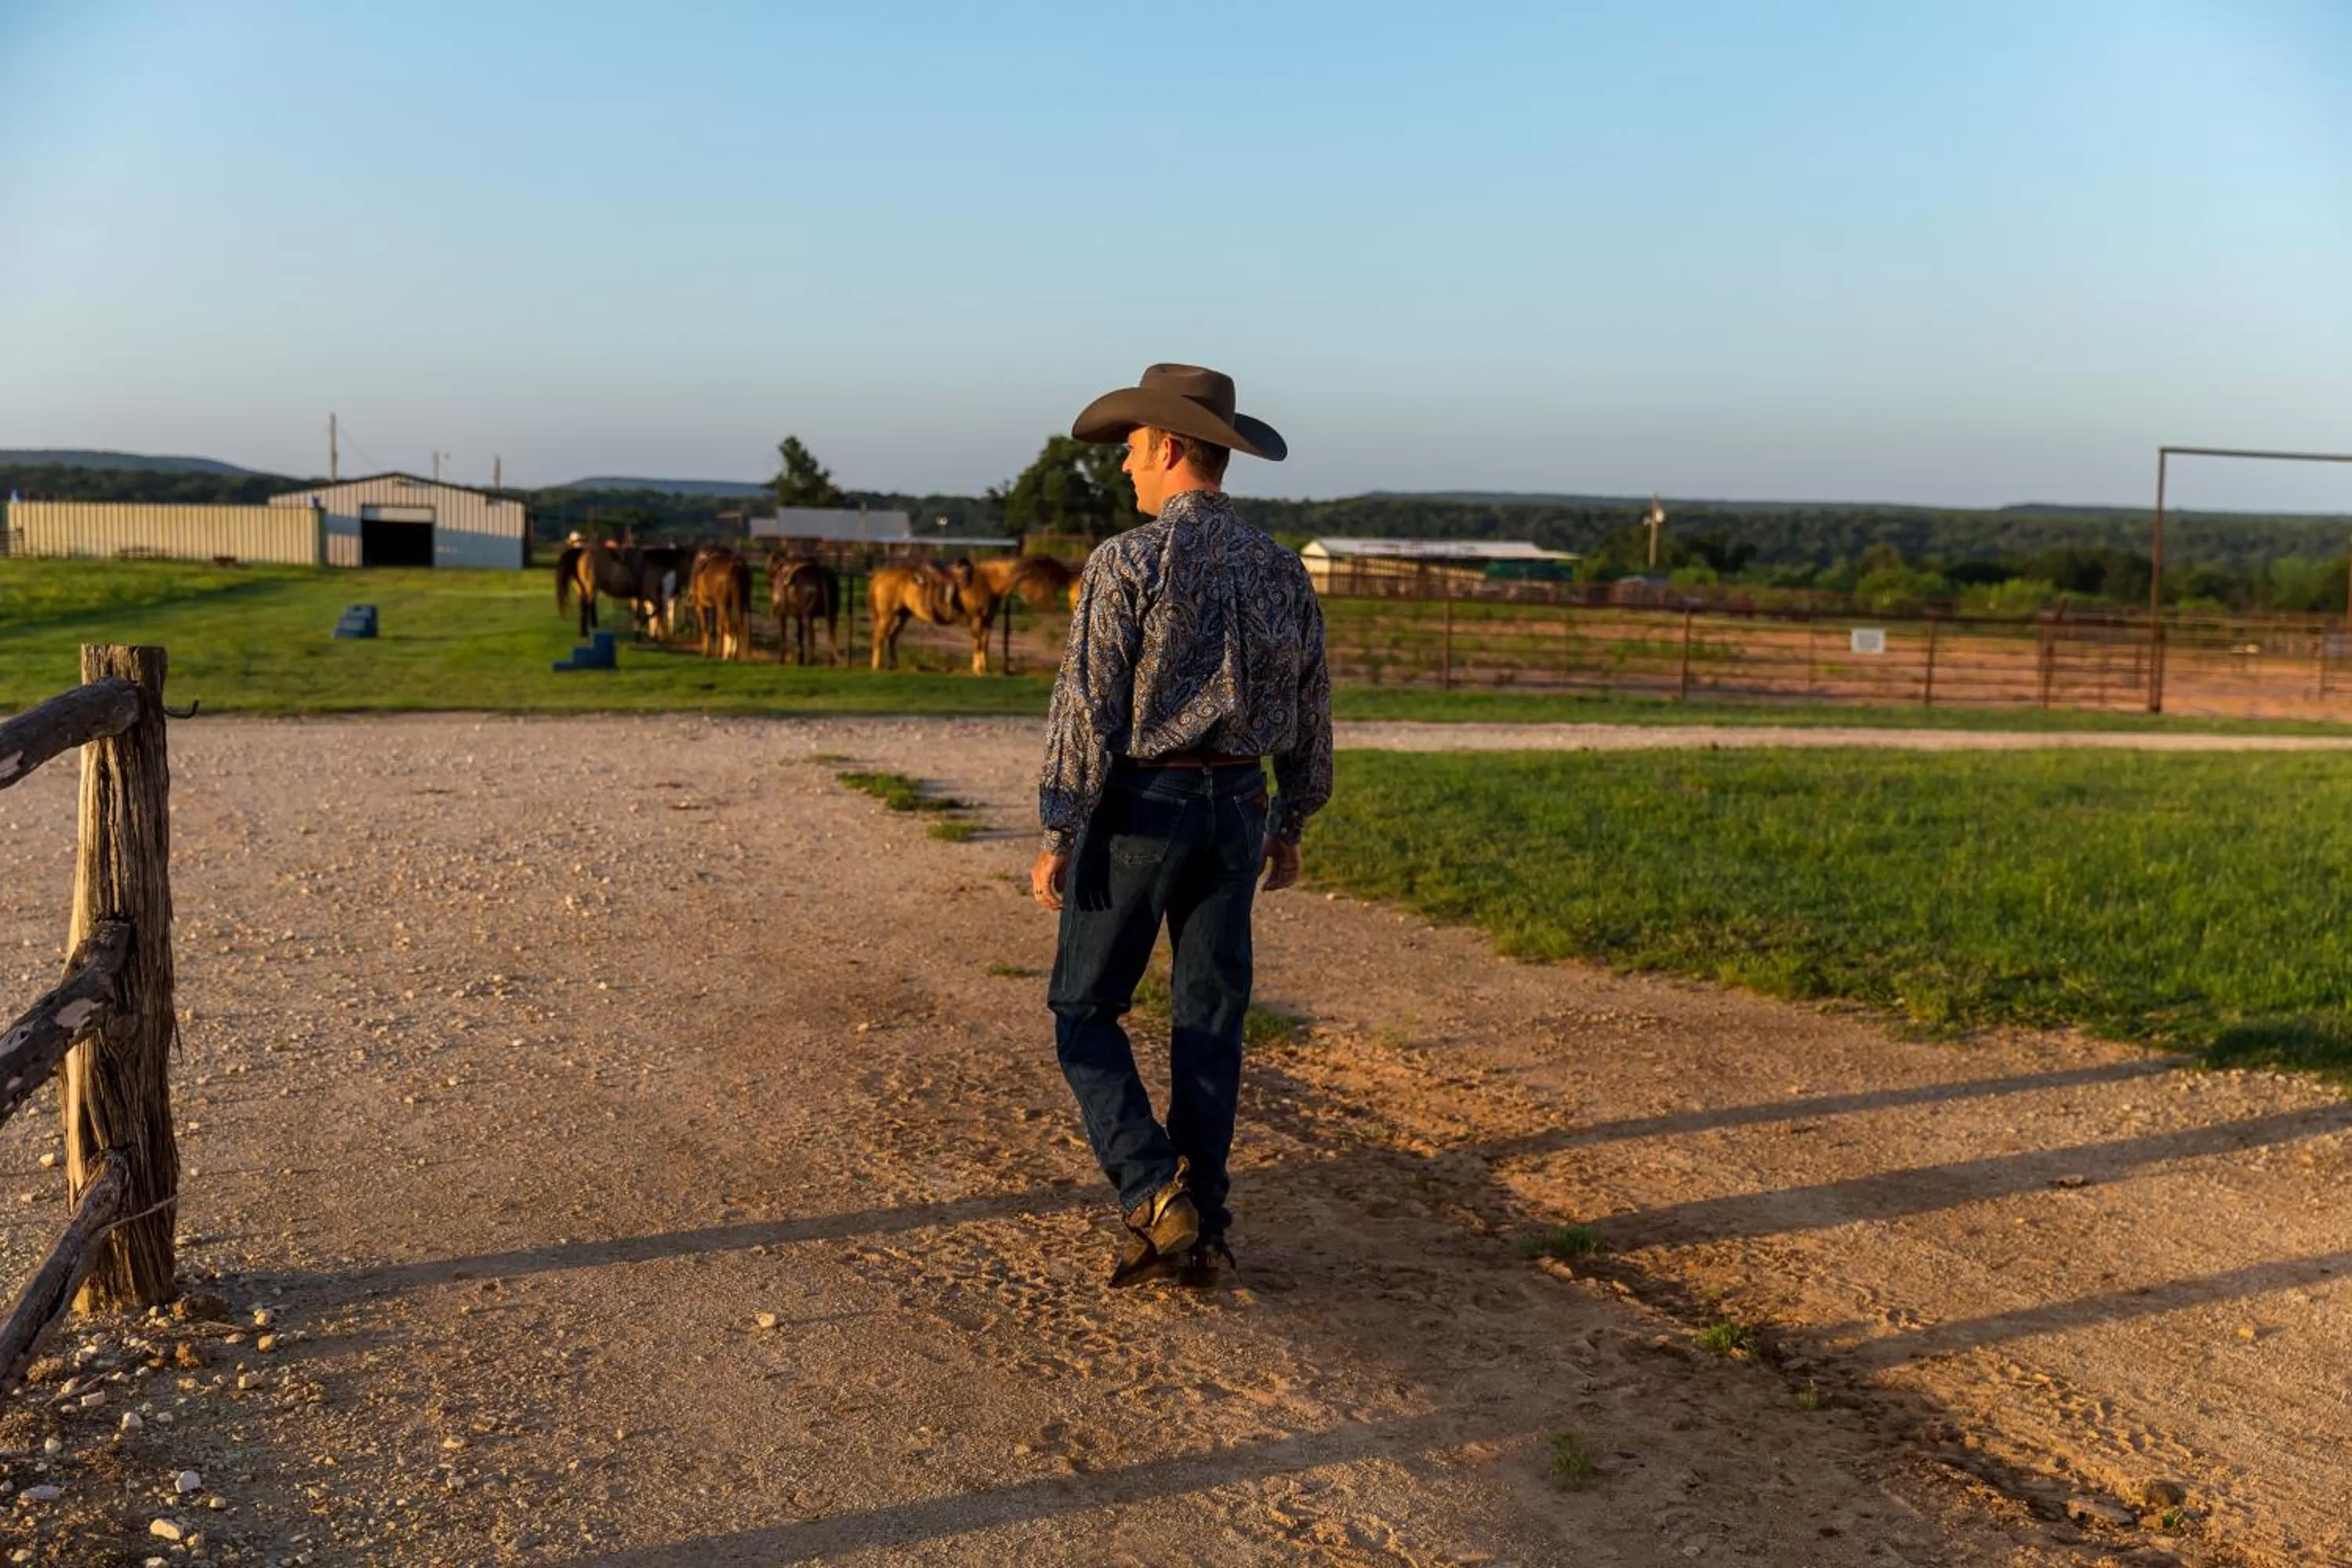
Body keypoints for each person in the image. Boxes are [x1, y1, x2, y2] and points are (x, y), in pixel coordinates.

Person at [1032, 364, 1333, 1288]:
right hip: (1238, 808)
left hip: (1142, 807)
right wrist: (1291, 815)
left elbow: (1088, 704)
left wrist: (1060, 823)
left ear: (1167, 446)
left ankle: (1156, 1190)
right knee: (1209, 1017)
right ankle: (1207, 1215)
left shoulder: (1129, 562)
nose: (1124, 465)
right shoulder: (1281, 569)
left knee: (1084, 1008)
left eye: (1130, 447)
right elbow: (1311, 703)